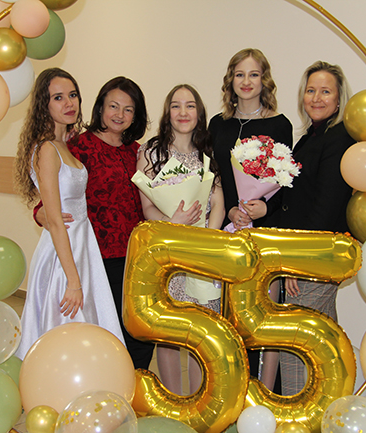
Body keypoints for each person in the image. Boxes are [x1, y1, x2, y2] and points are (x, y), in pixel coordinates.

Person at [244, 60, 356, 395]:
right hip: (302, 257)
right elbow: (293, 197)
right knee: (320, 344)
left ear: (339, 98)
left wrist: (296, 263)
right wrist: (264, 208)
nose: (316, 98)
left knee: (298, 347)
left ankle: (299, 417)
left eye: (325, 91)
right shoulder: (309, 137)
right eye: (311, 90)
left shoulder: (338, 139)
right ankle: (323, 410)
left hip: (313, 260)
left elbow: (325, 208)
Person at [35, 76, 155, 369]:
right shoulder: (78, 146)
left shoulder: (138, 151)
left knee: (142, 332)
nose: (119, 114)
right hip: (99, 257)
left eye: (128, 109)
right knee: (108, 332)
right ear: (100, 107)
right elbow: (55, 197)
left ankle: (135, 385)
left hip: (137, 256)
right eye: (113, 106)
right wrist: (40, 213)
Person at [13, 68, 125, 359]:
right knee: (67, 330)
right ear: (44, 105)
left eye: (72, 95)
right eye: (58, 97)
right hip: (63, 252)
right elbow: (53, 219)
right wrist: (73, 281)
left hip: (82, 245)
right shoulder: (47, 149)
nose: (69, 103)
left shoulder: (64, 144)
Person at [209, 48, 293, 391]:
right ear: (230, 80)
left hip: (263, 231)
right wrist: (230, 209)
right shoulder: (217, 124)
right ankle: (230, 386)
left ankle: (263, 390)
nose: (246, 81)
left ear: (264, 80)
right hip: (227, 227)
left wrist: (265, 209)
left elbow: (287, 181)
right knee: (227, 314)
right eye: (239, 74)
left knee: (262, 313)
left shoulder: (280, 124)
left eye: (254, 74)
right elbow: (215, 178)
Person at [136, 84, 224, 394]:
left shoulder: (206, 152)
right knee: (170, 333)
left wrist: (206, 240)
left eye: (190, 106)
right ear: (167, 112)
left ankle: (199, 401)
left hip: (202, 255)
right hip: (169, 252)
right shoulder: (151, 152)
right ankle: (176, 401)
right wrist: (173, 224)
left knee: (201, 331)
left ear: (199, 113)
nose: (183, 112)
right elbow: (147, 207)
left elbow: (218, 201)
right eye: (176, 105)